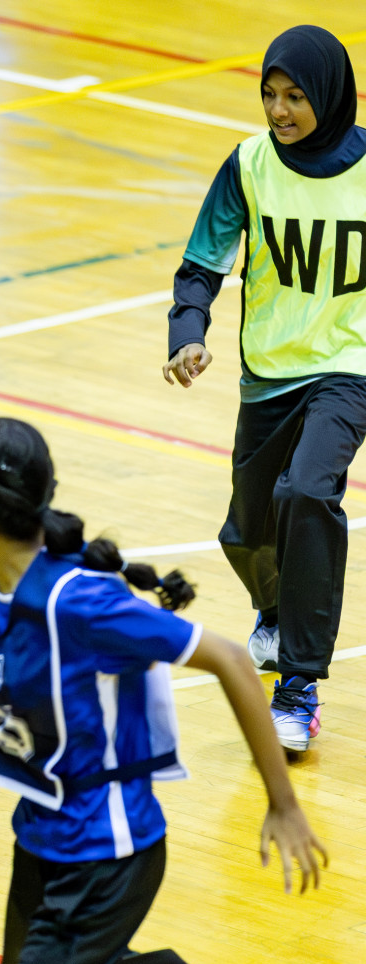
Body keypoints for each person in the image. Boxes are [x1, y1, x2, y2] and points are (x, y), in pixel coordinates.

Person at [0, 417, 327, 964]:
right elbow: (35, 724)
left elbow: (233, 659)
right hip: (42, 835)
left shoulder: (84, 603)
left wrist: (283, 803)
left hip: (108, 853)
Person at [163, 24, 366, 752]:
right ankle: (275, 612)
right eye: (270, 96)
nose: (279, 111)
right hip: (268, 374)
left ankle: (300, 687)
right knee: (248, 531)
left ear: (331, 95)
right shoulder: (249, 166)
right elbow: (201, 263)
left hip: (349, 368)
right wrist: (188, 332)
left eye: (295, 96)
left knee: (307, 492)